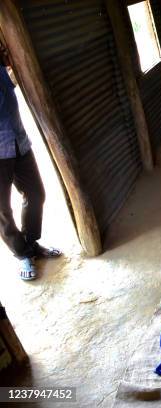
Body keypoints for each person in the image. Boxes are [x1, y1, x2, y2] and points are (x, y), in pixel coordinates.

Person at [0, 45, 61, 281]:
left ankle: (31, 242)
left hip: (19, 142)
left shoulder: (2, 67)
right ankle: (22, 253)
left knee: (36, 194)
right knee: (3, 211)